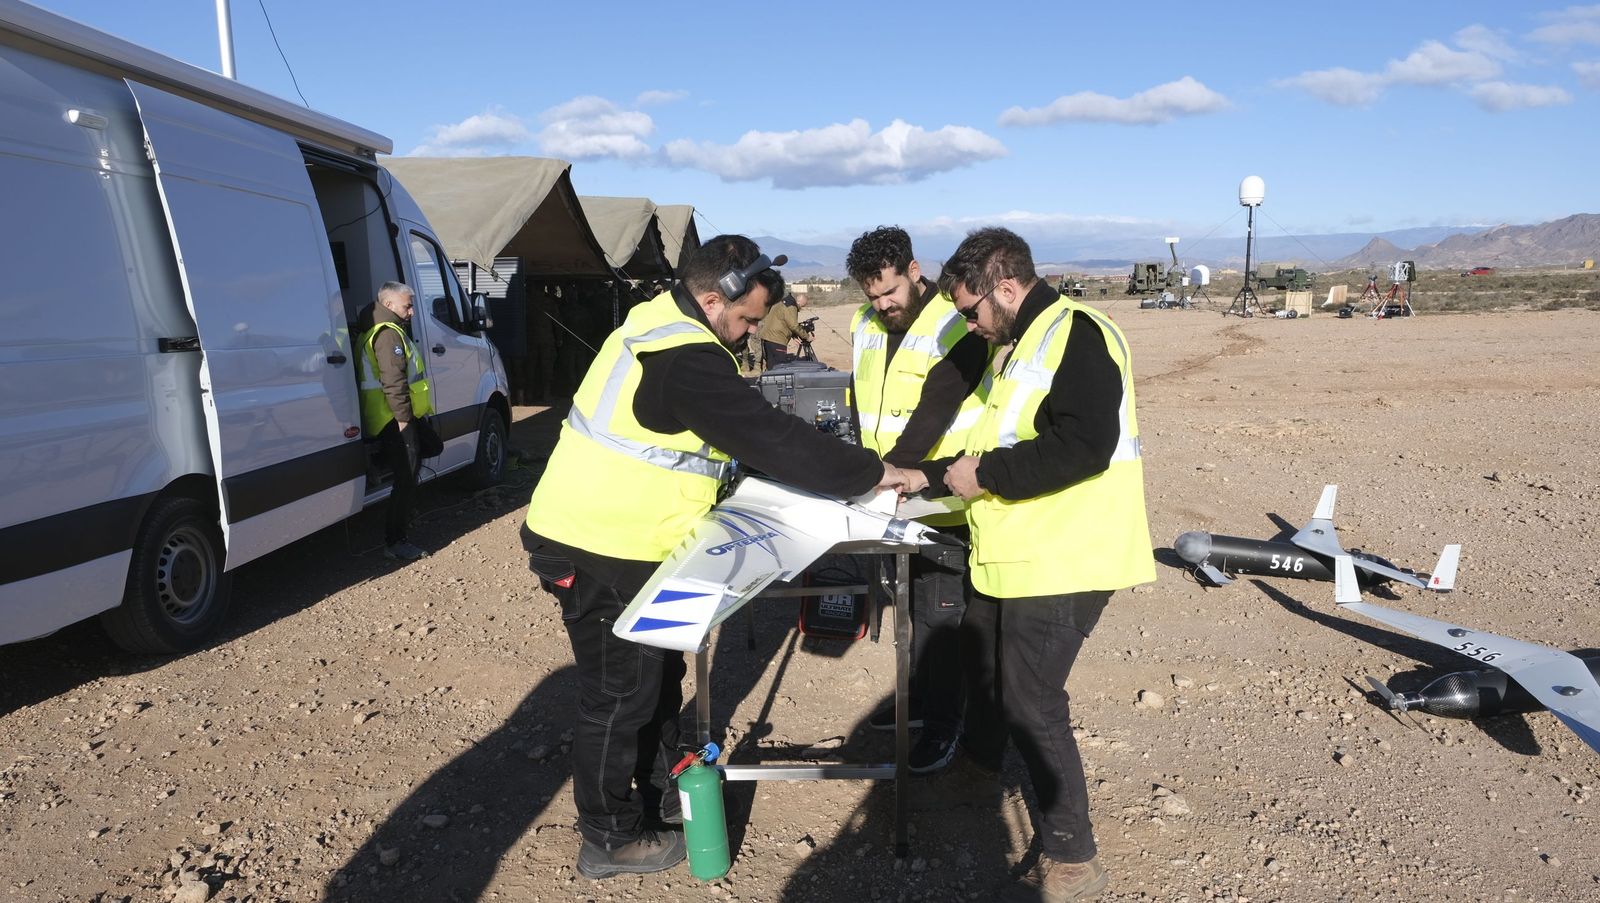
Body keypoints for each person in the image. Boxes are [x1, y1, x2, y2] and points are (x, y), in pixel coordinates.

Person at [521, 235, 916, 881]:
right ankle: (609, 837)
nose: (752, 331)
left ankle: (660, 796)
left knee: (654, 680)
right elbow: (767, 434)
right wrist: (870, 473)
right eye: (747, 319)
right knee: (619, 694)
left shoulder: (659, 322)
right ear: (712, 300)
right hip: (598, 544)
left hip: (633, 540)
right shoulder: (684, 357)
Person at [913, 227, 1155, 903]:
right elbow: (987, 447)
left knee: (1031, 697)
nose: (969, 324)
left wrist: (985, 475)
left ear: (1007, 287)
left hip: (1069, 554)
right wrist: (919, 476)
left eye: (971, 311)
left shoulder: (1077, 334)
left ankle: (1074, 854)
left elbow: (1086, 443)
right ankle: (980, 765)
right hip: (1017, 552)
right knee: (982, 660)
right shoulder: (1018, 348)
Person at [844, 227, 991, 773]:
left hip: (939, 496)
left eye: (890, 292)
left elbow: (935, 411)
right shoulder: (865, 323)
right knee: (905, 608)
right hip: (889, 497)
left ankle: (946, 725)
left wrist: (891, 475)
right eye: (872, 296)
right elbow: (863, 401)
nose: (883, 305)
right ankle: (918, 702)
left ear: (913, 270)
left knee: (940, 618)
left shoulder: (956, 322)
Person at [355, 281, 433, 562]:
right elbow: (394, 381)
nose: (412, 312)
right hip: (393, 417)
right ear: (388, 305)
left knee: (428, 449)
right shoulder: (388, 334)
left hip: (392, 416)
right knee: (406, 477)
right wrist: (403, 419)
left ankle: (403, 518)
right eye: (407, 306)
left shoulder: (380, 329)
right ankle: (396, 541)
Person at [756, 290, 809, 366]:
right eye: (802, 306)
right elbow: (793, 325)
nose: (800, 309)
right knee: (780, 365)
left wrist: (793, 336)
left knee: (771, 365)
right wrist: (807, 337)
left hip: (767, 338)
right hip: (777, 339)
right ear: (799, 302)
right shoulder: (791, 306)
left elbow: (783, 321)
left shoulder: (781, 303)